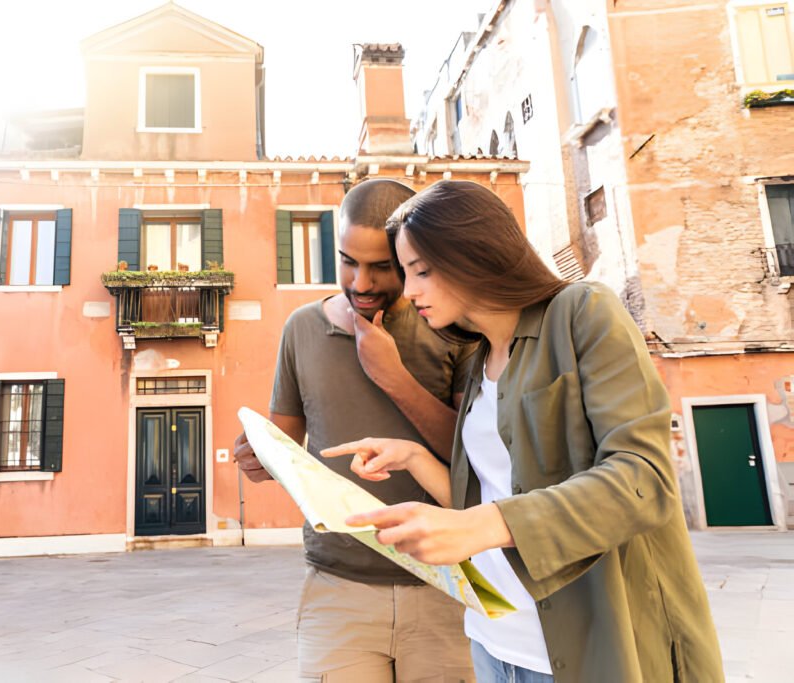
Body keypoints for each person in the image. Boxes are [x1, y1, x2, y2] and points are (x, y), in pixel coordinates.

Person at [323, 180, 725, 683]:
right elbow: (494, 497)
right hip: (493, 643)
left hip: (590, 647)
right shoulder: (476, 363)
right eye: (406, 273)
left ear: (477, 253)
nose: (410, 291)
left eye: (422, 270)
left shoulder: (583, 313)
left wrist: (479, 526)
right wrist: (415, 458)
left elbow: (644, 480)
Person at [234, 178, 477, 682]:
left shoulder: (454, 330)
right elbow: (284, 453)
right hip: (335, 588)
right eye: (348, 261)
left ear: (412, 258)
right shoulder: (301, 328)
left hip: (445, 585)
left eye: (381, 266)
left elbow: (474, 459)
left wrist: (394, 378)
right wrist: (259, 460)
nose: (361, 282)